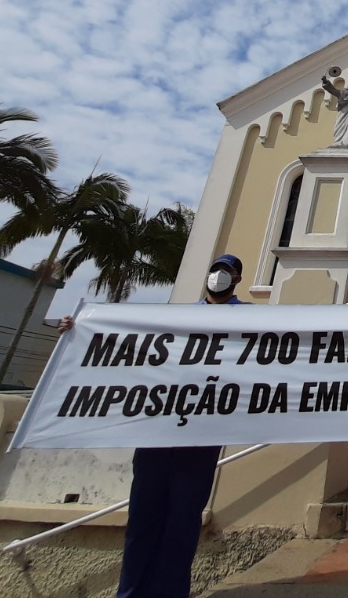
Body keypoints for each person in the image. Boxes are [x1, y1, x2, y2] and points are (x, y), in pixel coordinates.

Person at [58, 253, 248, 598]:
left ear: (236, 280)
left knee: (183, 523)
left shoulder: (250, 319)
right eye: (216, 270)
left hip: (201, 434)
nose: (220, 276)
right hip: (156, 432)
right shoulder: (175, 317)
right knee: (142, 521)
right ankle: (130, 592)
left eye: (228, 272)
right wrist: (79, 332)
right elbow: (128, 344)